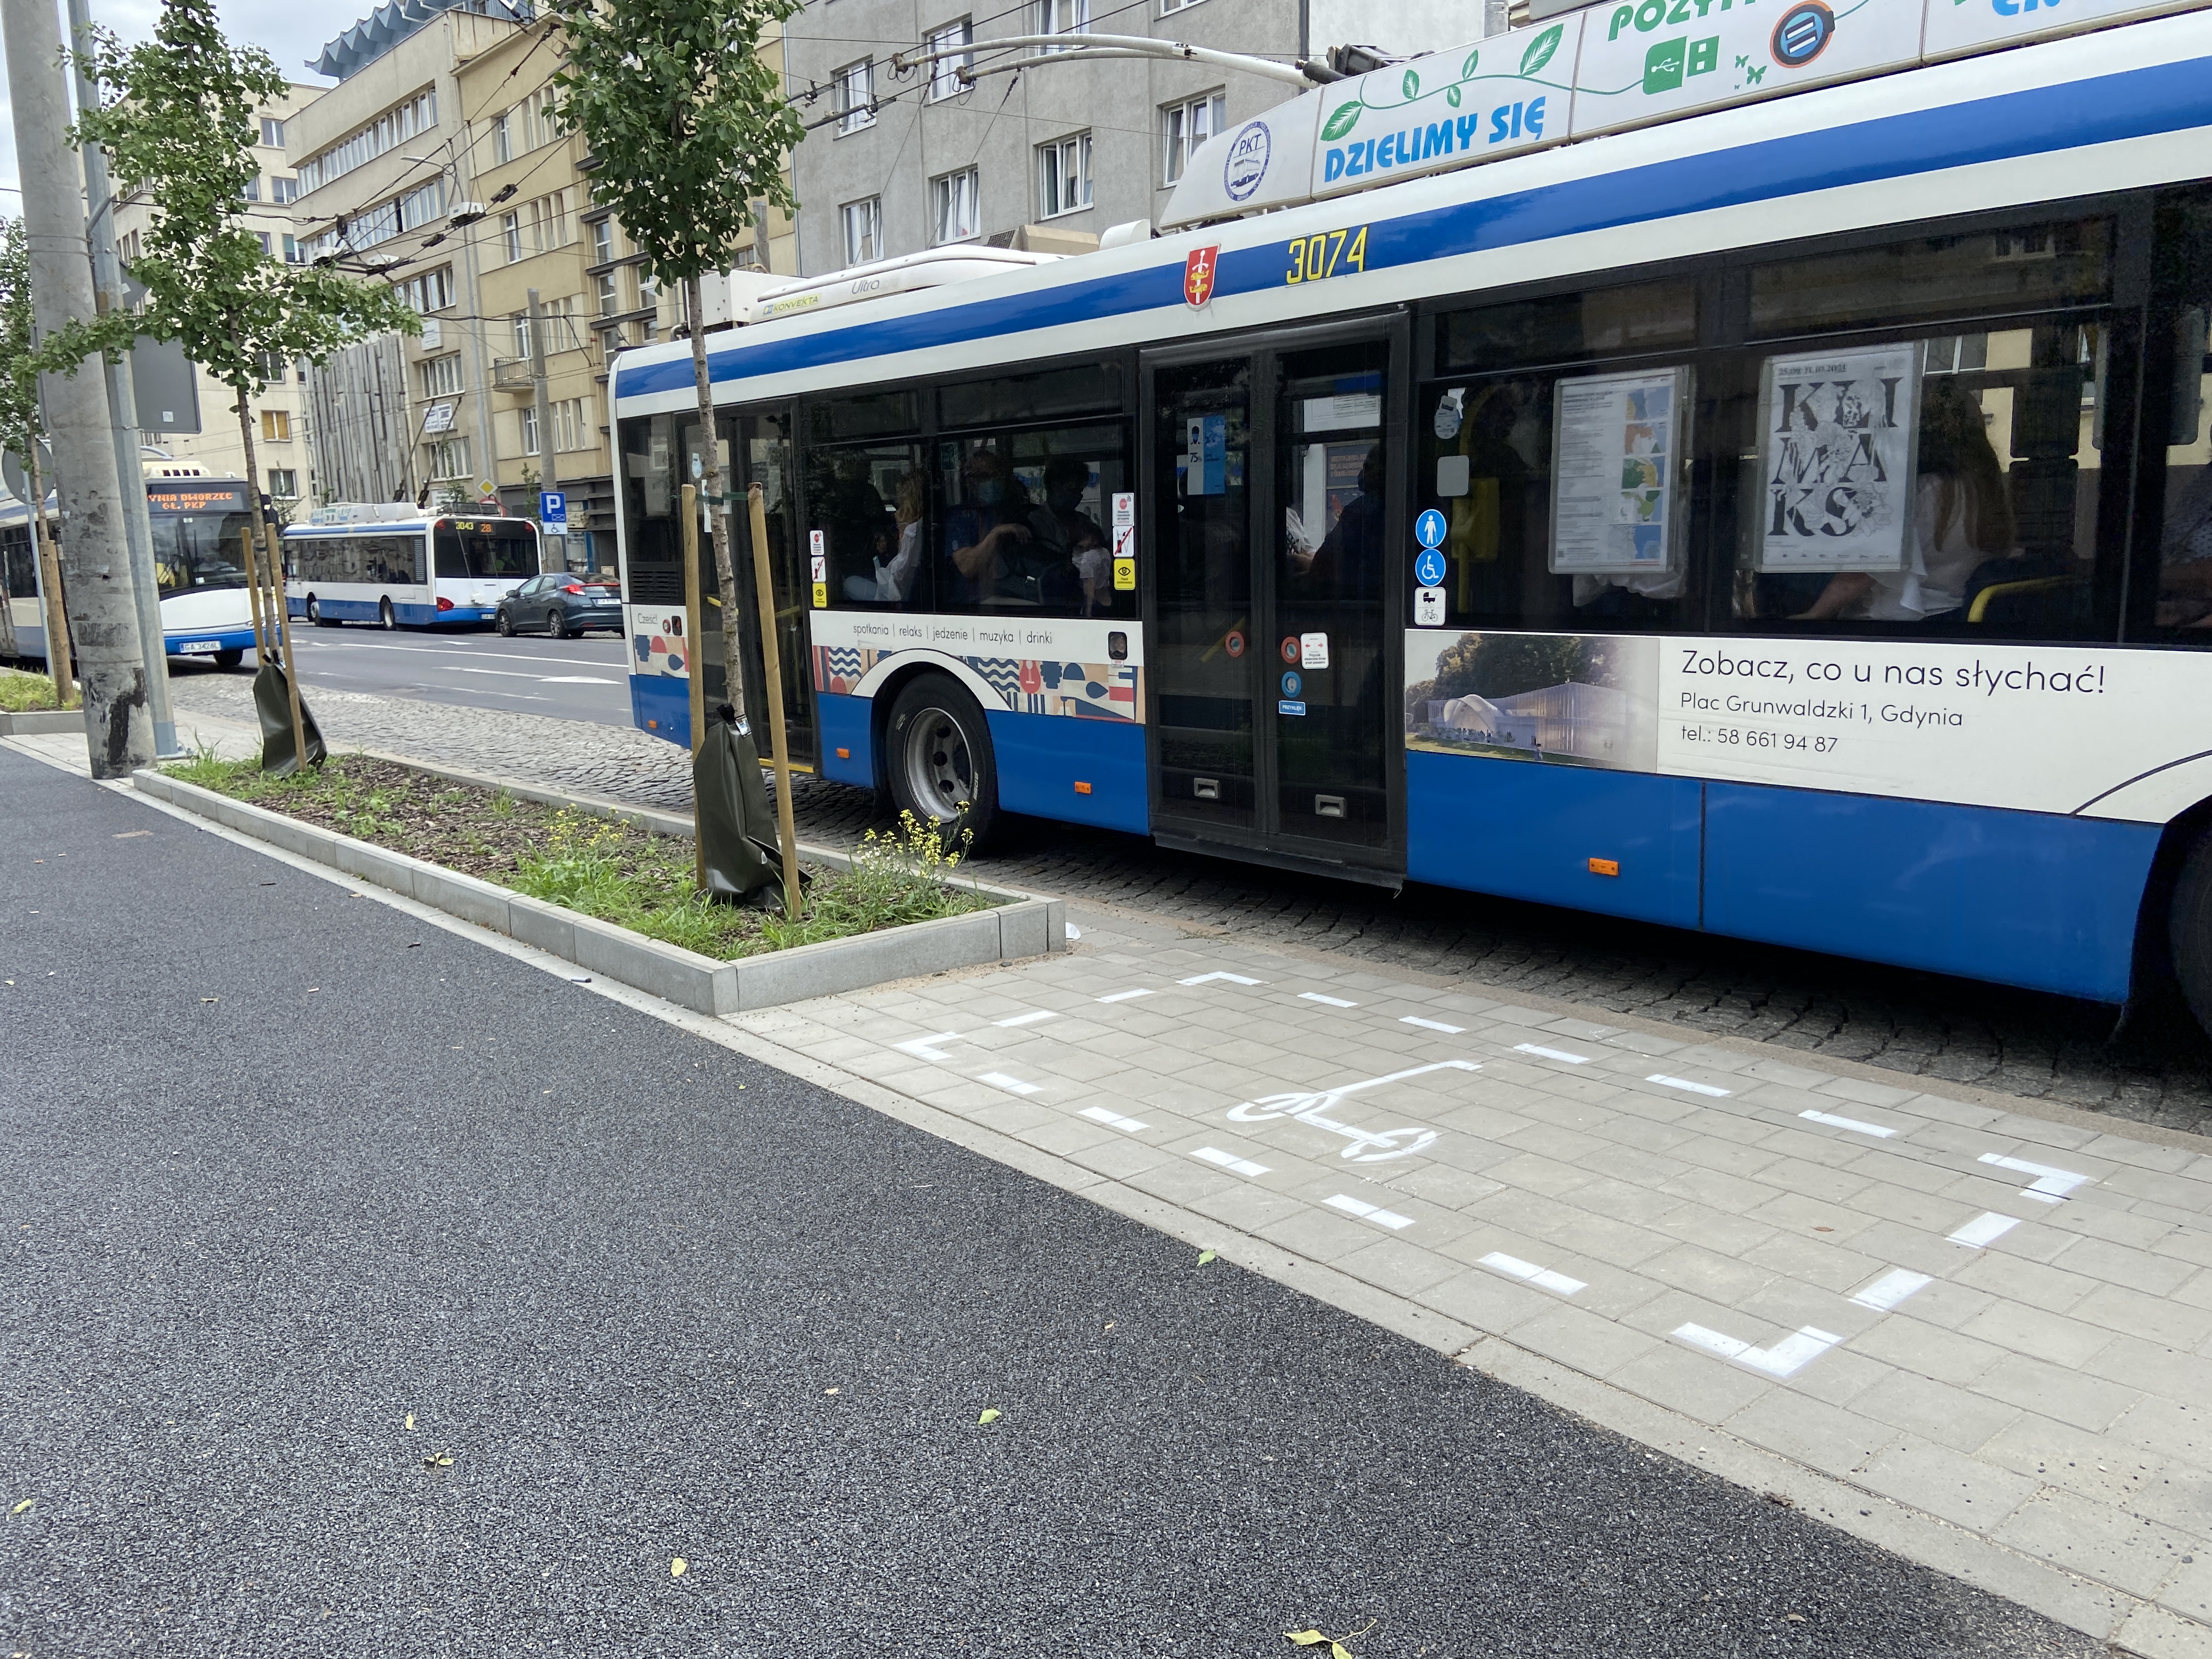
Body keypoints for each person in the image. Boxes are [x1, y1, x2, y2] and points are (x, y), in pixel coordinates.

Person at [1795, 377, 2016, 622]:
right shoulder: (1981, 488)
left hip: (1894, 620)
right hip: (1951, 611)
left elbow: (1863, 571)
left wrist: (1813, 615)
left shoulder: (1919, 493)